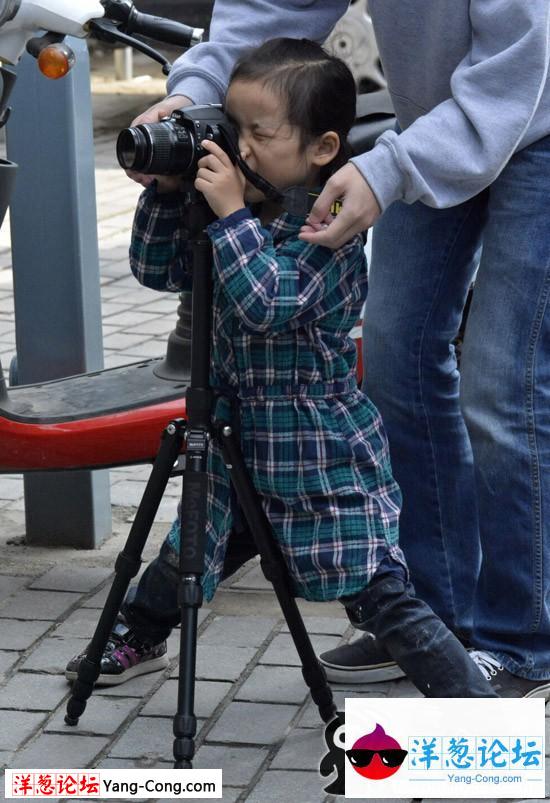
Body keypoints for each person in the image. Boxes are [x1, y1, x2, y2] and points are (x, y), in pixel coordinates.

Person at [124, 0, 550, 698]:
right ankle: (432, 620)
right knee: (395, 359)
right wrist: (190, 97)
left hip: (540, 122)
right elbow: (272, 6)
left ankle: (523, 642)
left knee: (500, 384)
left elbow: (516, 67)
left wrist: (388, 170)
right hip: (434, 119)